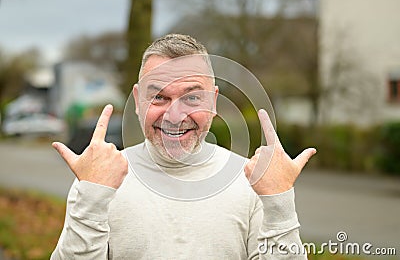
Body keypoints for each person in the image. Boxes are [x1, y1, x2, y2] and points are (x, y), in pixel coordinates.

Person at [50, 34, 316, 259]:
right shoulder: (99, 179)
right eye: (158, 97)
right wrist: (92, 199)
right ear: (137, 100)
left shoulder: (251, 181)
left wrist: (279, 203)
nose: (174, 116)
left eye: (192, 97)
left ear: (213, 102)